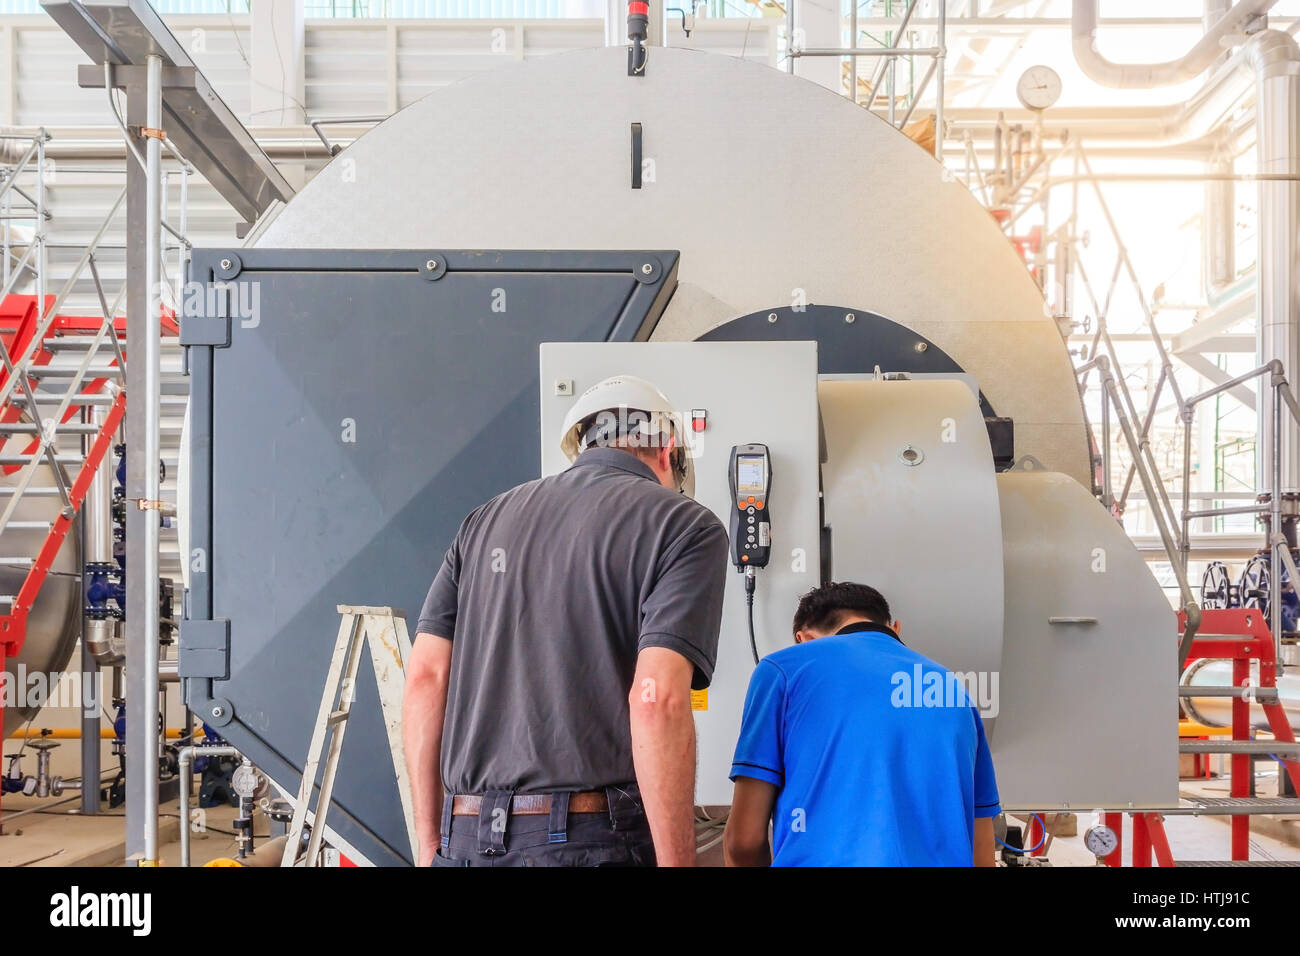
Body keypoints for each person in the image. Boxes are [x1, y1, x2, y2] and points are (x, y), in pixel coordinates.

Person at [402, 374, 728, 867]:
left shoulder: (482, 522)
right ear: (667, 452)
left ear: (580, 443)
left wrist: (429, 847)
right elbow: (656, 697)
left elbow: (425, 678)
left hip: (463, 838)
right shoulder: (685, 523)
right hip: (589, 842)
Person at [723, 581, 1000, 867]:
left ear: (804, 639)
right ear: (895, 630)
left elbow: (744, 841)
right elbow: (981, 846)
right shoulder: (953, 690)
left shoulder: (783, 670)